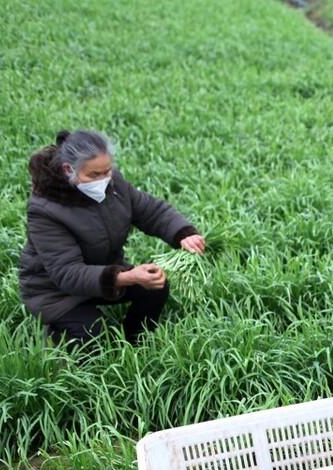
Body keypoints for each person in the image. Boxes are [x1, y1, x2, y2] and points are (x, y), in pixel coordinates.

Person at [19, 130, 204, 346]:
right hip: (56, 292)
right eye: (94, 175)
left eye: (107, 171)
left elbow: (150, 211)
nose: (104, 180)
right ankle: (58, 332)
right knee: (95, 334)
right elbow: (67, 273)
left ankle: (136, 342)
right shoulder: (45, 210)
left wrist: (184, 234)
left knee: (155, 286)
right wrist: (126, 277)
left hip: (103, 274)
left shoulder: (113, 184)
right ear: (69, 169)